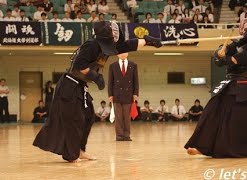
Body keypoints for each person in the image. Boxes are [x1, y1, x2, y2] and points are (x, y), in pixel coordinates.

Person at [33, 21, 162, 162]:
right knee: (74, 120)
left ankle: (80, 150)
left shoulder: (108, 46)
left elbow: (127, 45)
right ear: (105, 33)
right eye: (112, 31)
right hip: (69, 86)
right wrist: (95, 77)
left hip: (80, 86)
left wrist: (148, 41)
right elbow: (78, 65)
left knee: (88, 117)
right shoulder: (92, 45)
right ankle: (72, 154)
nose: (115, 33)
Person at [184, 18, 247, 158]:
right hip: (229, 82)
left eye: (245, 26)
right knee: (212, 110)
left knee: (244, 117)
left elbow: (239, 59)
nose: (242, 29)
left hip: (244, 84)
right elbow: (219, 58)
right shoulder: (237, 43)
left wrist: (225, 58)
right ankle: (204, 147)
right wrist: (218, 53)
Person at [108, 52, 139, 141]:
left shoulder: (133, 65)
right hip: (116, 94)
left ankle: (126, 135)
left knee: (126, 116)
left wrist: (135, 93)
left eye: (124, 52)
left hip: (128, 94)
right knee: (118, 117)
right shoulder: (113, 66)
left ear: (127, 54)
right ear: (117, 54)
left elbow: (135, 80)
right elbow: (110, 82)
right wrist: (110, 94)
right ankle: (119, 135)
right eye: (120, 53)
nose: (122, 54)